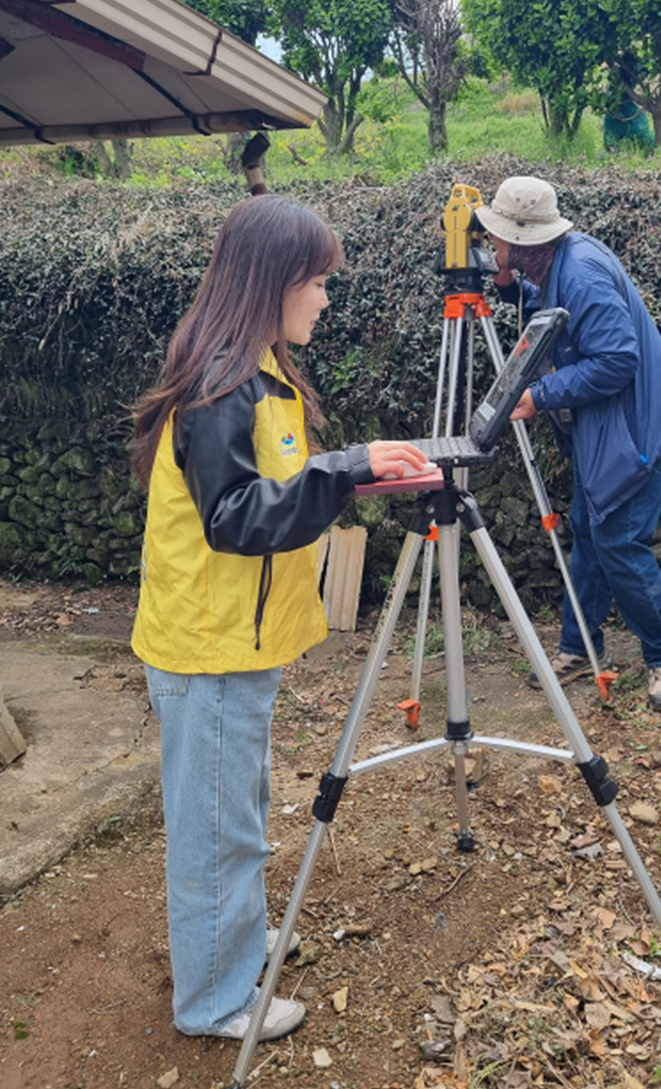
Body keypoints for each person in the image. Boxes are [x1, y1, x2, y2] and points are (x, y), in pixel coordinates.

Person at [130, 195, 428, 1042]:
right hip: (209, 646)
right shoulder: (224, 382)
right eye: (317, 282)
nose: (326, 299)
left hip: (235, 641)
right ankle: (216, 1001)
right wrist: (345, 471)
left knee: (236, 809)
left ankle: (234, 945)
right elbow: (234, 517)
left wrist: (359, 477)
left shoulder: (251, 367)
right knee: (216, 831)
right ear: (274, 281)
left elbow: (273, 493)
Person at [476, 176, 661, 713]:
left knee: (618, 541)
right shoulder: (555, 266)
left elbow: (618, 359)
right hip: (606, 434)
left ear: (524, 241)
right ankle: (580, 647)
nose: (491, 247)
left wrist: (539, 393)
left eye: (498, 239)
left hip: (638, 430)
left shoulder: (580, 273)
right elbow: (546, 304)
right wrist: (509, 285)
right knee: (590, 530)